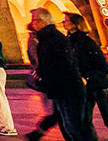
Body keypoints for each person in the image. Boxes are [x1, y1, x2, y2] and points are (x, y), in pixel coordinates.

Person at [24, 8, 91, 141]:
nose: (32, 23)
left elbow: (63, 63)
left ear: (43, 22)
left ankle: (39, 133)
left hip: (68, 88)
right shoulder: (46, 38)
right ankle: (39, 132)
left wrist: (42, 72)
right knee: (69, 125)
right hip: (60, 88)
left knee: (76, 127)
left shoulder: (53, 38)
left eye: (34, 20)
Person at [64, 12, 108, 141]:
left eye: (66, 20)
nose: (63, 22)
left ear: (75, 24)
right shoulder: (69, 41)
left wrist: (88, 78)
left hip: (99, 86)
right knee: (85, 119)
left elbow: (103, 66)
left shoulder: (87, 42)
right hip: (85, 87)